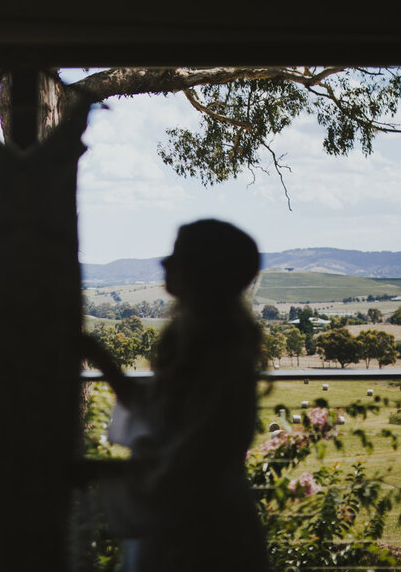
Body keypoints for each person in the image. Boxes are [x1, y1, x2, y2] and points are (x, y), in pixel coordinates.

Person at [81, 219, 269, 571]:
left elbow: (192, 451)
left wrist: (102, 472)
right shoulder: (193, 338)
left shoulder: (218, 347)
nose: (164, 264)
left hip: (201, 526)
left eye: (178, 256)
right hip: (186, 515)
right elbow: (156, 411)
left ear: (205, 271)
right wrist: (96, 353)